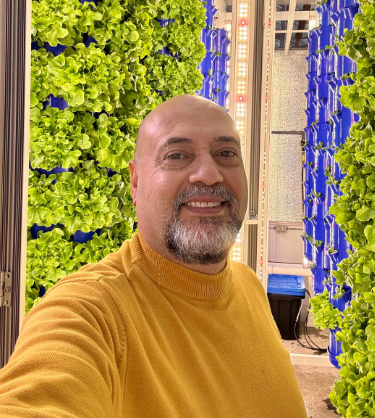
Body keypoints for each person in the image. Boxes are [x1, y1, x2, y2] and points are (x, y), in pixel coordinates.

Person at [0, 95, 308, 417]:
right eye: (177, 155)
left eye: (226, 153)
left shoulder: (249, 285)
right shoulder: (95, 312)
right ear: (135, 182)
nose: (208, 173)